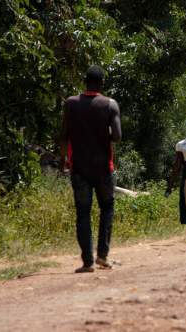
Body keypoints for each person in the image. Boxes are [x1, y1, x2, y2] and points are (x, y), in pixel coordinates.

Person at [59, 65, 122, 273]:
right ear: (102, 83)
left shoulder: (71, 103)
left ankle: (87, 261)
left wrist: (62, 160)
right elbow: (117, 137)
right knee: (107, 208)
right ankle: (102, 256)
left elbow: (64, 134)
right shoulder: (110, 104)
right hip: (104, 167)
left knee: (83, 213)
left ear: (84, 81)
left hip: (79, 167)